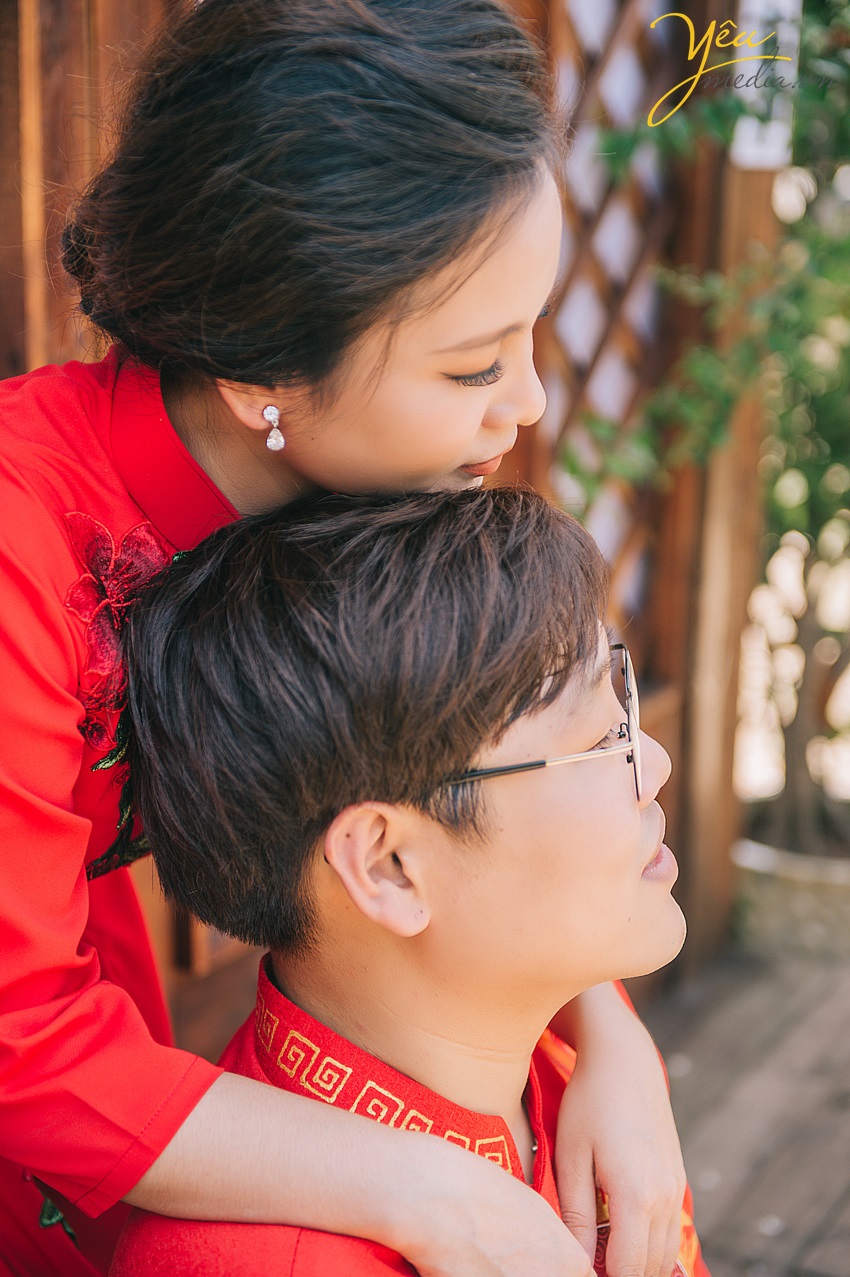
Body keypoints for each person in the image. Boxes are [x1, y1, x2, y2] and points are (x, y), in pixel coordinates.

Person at [0, 1, 686, 1274]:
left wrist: (610, 1038)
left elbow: (508, 791)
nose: (531, 403)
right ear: (262, 373)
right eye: (473, 366)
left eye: (530, 336)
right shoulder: (16, 545)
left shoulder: (366, 458)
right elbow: (19, 1044)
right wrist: (431, 1189)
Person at [109, 487, 708, 1277]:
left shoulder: (581, 1076)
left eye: (621, 703)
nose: (654, 764)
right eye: (600, 739)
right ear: (389, 866)